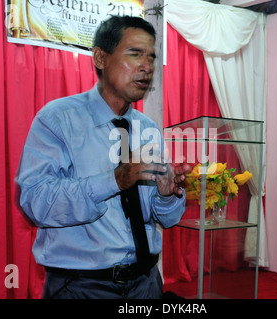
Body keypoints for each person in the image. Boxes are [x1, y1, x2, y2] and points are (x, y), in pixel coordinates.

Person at [16, 15, 191, 299]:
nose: (147, 67)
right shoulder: (58, 119)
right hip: (81, 287)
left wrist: (167, 196)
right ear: (100, 57)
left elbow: (163, 218)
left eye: (151, 57)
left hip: (146, 284)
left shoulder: (148, 129)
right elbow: (35, 203)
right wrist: (114, 180)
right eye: (135, 54)